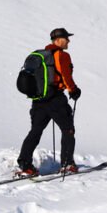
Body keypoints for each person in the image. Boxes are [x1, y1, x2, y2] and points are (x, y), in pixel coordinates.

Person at [17, 27, 82, 177]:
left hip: (38, 101)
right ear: (58, 40)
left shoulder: (41, 55)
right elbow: (66, 76)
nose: (69, 41)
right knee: (68, 130)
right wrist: (74, 90)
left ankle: (25, 164)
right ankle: (67, 164)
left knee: (35, 131)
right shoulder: (61, 55)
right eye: (66, 38)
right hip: (55, 100)